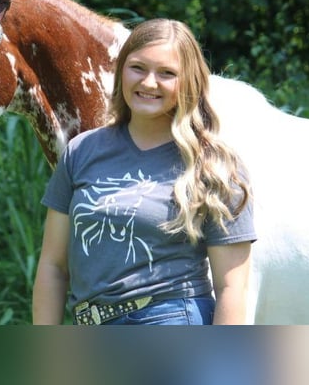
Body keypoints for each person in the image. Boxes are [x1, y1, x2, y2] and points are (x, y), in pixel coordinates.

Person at [32, 18, 256, 325]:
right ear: (121, 69)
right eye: (138, 67)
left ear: (187, 81)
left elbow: (232, 287)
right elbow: (53, 267)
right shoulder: (82, 151)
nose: (149, 83)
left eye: (167, 73)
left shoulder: (212, 166)